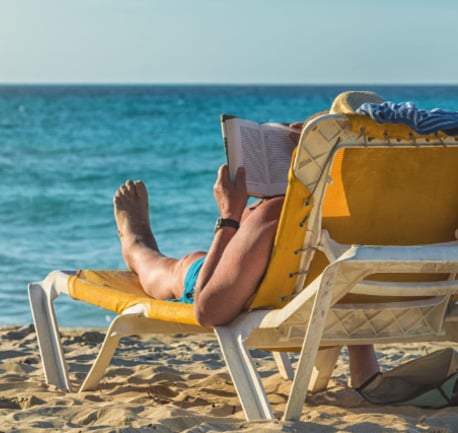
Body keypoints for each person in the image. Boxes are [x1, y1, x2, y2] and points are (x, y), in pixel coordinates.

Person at [112, 94, 383, 388]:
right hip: (347, 304)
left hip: (280, 308)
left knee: (184, 267)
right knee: (347, 259)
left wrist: (230, 215)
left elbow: (209, 311)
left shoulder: (281, 213)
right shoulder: (401, 210)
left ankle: (137, 247)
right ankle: (364, 371)